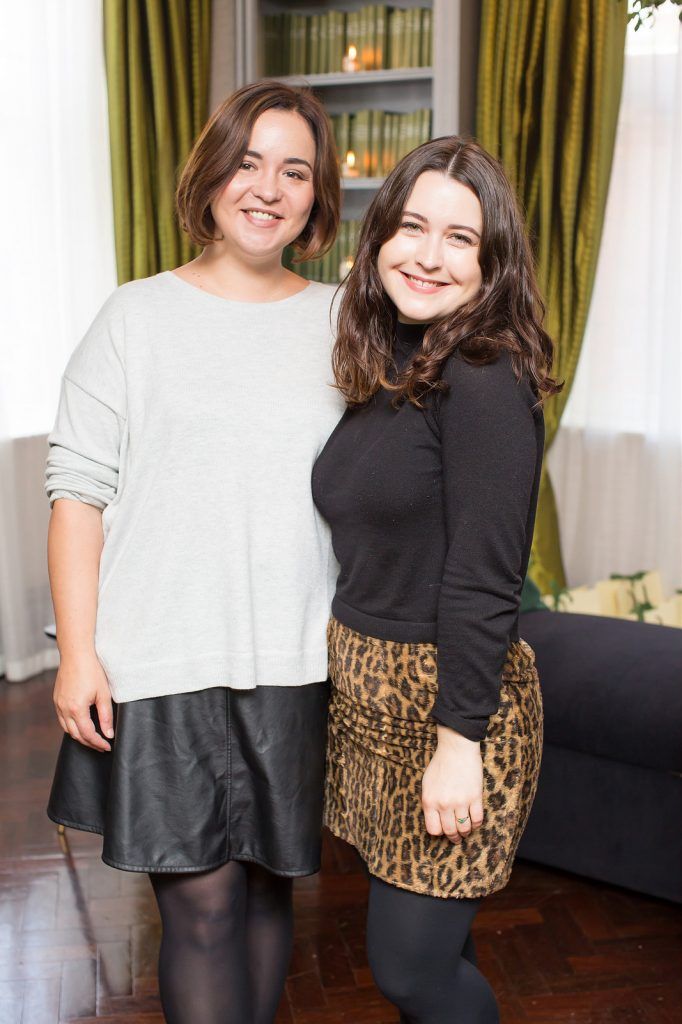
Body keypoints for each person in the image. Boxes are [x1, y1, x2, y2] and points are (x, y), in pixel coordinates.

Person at [45, 80, 343, 1024]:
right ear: (210, 176)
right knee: (203, 908)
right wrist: (80, 655)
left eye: (293, 169)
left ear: (317, 193)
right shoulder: (133, 319)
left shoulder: (348, 323)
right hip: (162, 663)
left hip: (297, 662)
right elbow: (77, 496)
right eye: (248, 163)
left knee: (265, 894)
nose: (268, 187)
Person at [312, 136, 562, 1023]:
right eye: (411, 226)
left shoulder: (485, 379)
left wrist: (459, 745)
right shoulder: (389, 368)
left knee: (411, 972)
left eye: (460, 238)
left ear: (492, 265)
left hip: (451, 707)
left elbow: (485, 580)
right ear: (376, 238)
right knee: (438, 949)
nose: (427, 253)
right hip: (371, 696)